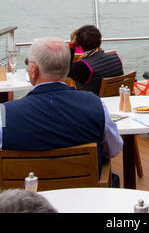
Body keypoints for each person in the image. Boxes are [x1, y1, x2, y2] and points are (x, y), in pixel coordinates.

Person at [0, 37, 123, 181]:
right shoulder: (95, 104)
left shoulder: (5, 114)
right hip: (85, 196)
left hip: (26, 199)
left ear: (33, 70)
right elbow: (113, 149)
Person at [68, 25, 124, 95]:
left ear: (79, 45)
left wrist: (72, 46)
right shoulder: (115, 58)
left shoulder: (82, 66)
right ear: (100, 41)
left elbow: (64, 70)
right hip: (115, 100)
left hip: (90, 103)